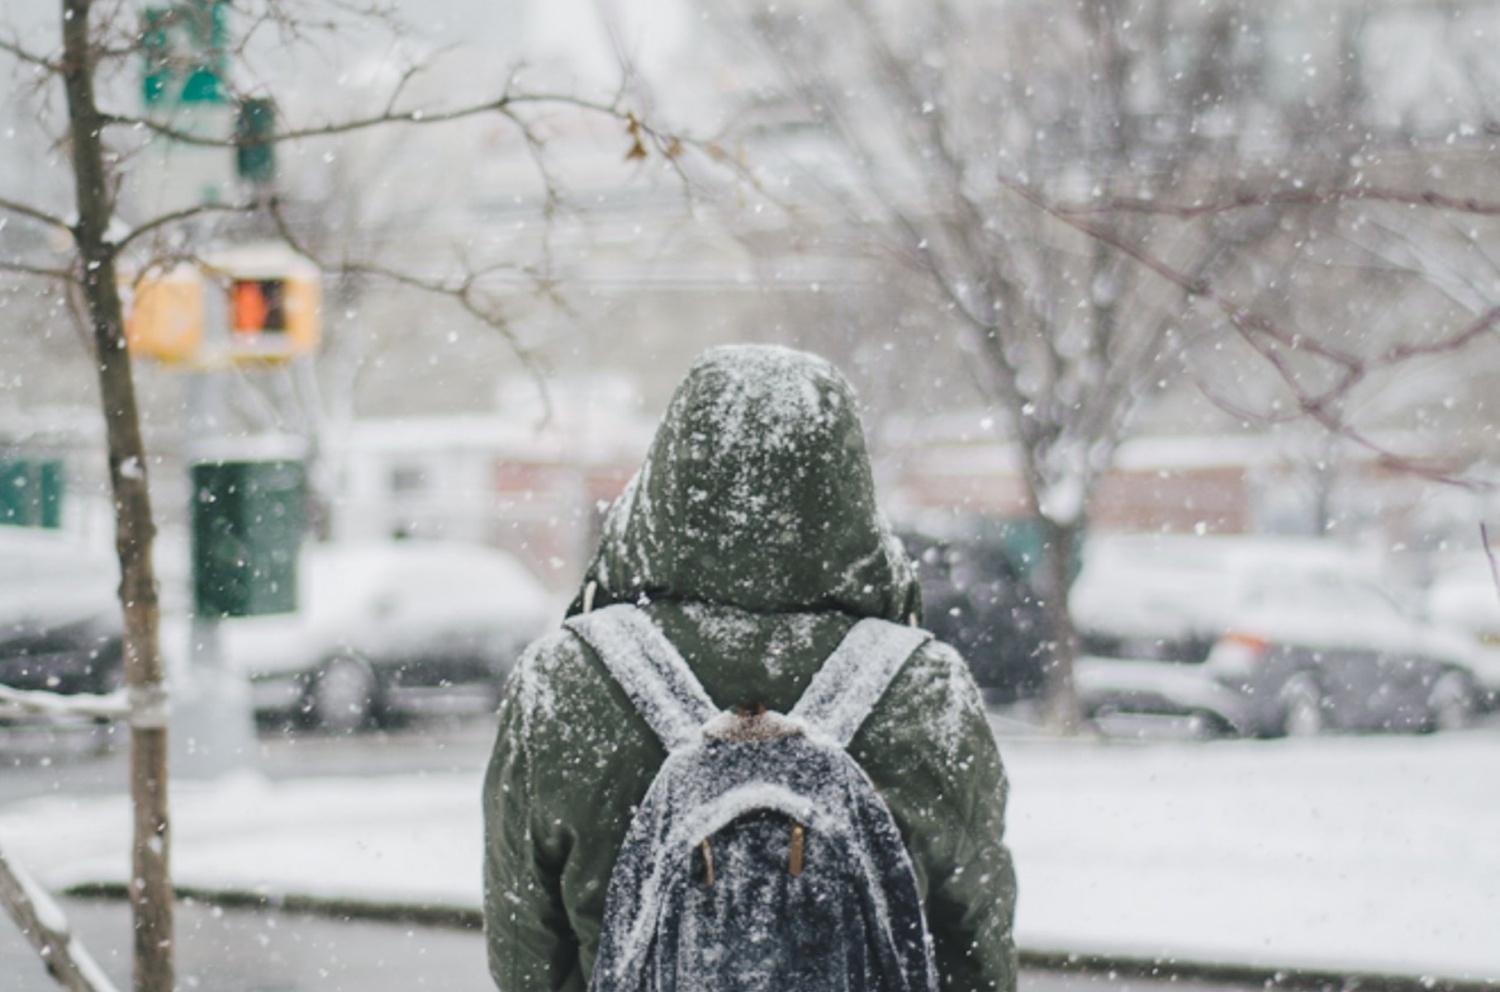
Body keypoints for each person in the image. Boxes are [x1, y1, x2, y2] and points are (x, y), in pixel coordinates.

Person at [482, 344, 1017, 991]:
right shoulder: (926, 690)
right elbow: (976, 953)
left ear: (669, 472)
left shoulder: (563, 681)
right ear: (848, 481)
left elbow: (526, 955)